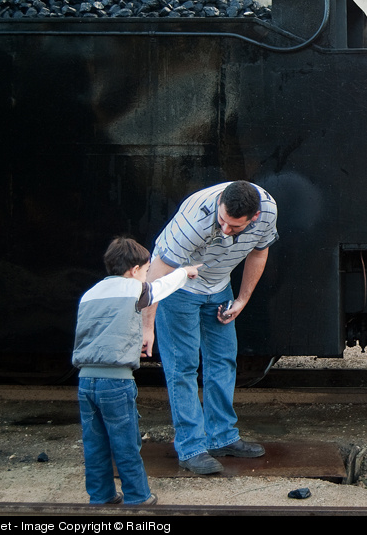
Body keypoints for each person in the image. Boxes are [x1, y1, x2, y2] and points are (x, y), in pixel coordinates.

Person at [143, 180, 278, 475]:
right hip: (177, 286)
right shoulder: (195, 222)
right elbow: (157, 274)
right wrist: (147, 326)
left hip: (219, 286)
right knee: (183, 365)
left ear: (254, 217)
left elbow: (259, 251)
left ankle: (221, 437)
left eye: (235, 226)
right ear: (219, 204)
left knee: (223, 359)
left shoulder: (267, 211)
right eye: (223, 221)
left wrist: (242, 299)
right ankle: (191, 448)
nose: (226, 230)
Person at [73, 236, 200, 506]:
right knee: (125, 442)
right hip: (115, 383)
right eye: (145, 271)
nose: (146, 277)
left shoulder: (90, 293)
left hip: (86, 380)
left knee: (94, 443)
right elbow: (161, 287)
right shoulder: (134, 289)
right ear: (134, 270)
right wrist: (185, 272)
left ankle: (101, 496)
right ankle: (138, 496)